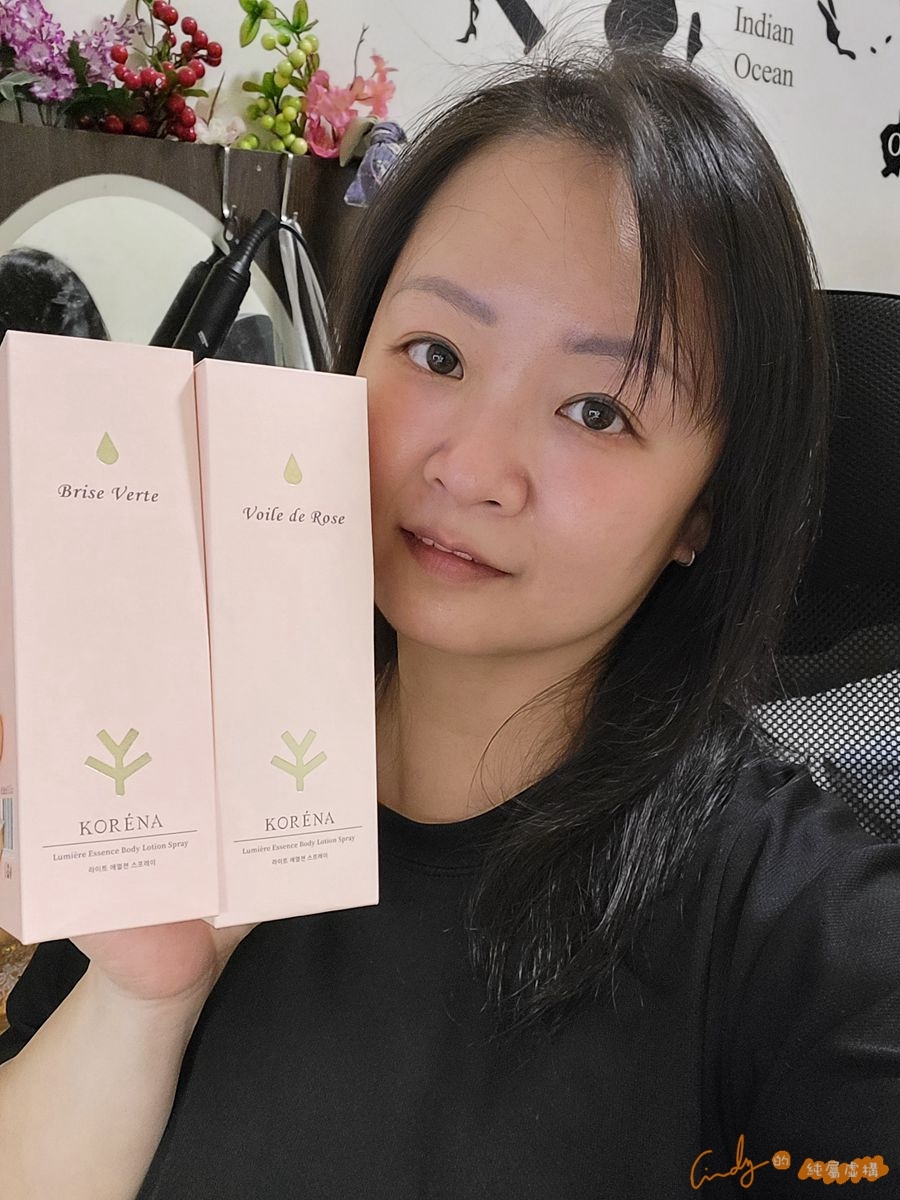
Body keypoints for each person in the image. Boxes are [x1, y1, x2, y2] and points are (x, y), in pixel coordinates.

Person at [1, 49, 899, 1199]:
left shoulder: (809, 935)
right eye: (437, 354)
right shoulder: (200, 752)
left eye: (598, 410)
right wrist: (143, 998)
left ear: (704, 509)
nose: (472, 470)